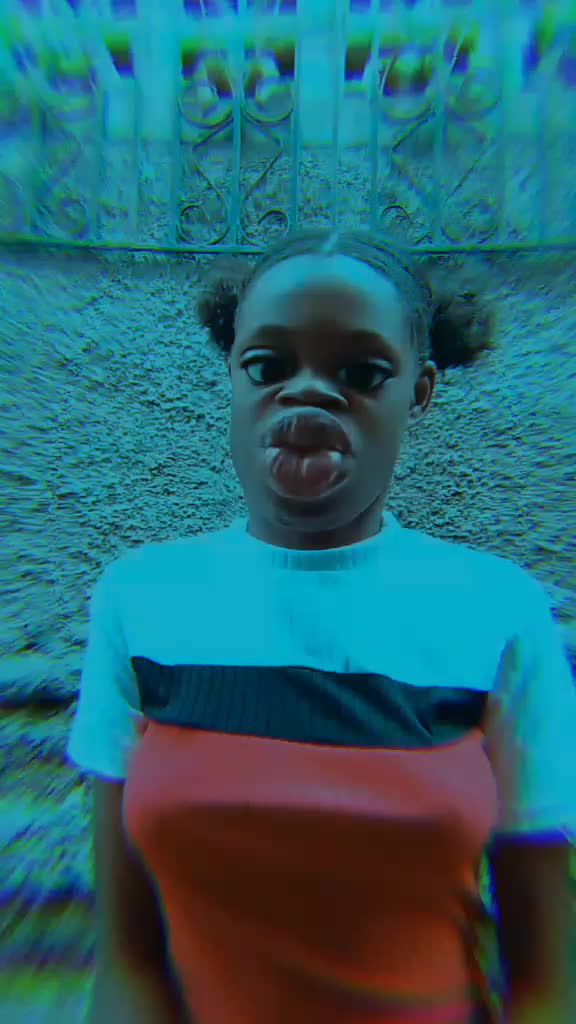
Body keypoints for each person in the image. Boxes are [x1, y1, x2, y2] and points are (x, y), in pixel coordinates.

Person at [66, 226, 575, 1024]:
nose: (307, 393)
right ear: (231, 375)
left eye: (362, 373)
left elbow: (547, 983)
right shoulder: (141, 601)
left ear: (420, 392)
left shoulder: (498, 613)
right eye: (267, 367)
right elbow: (128, 964)